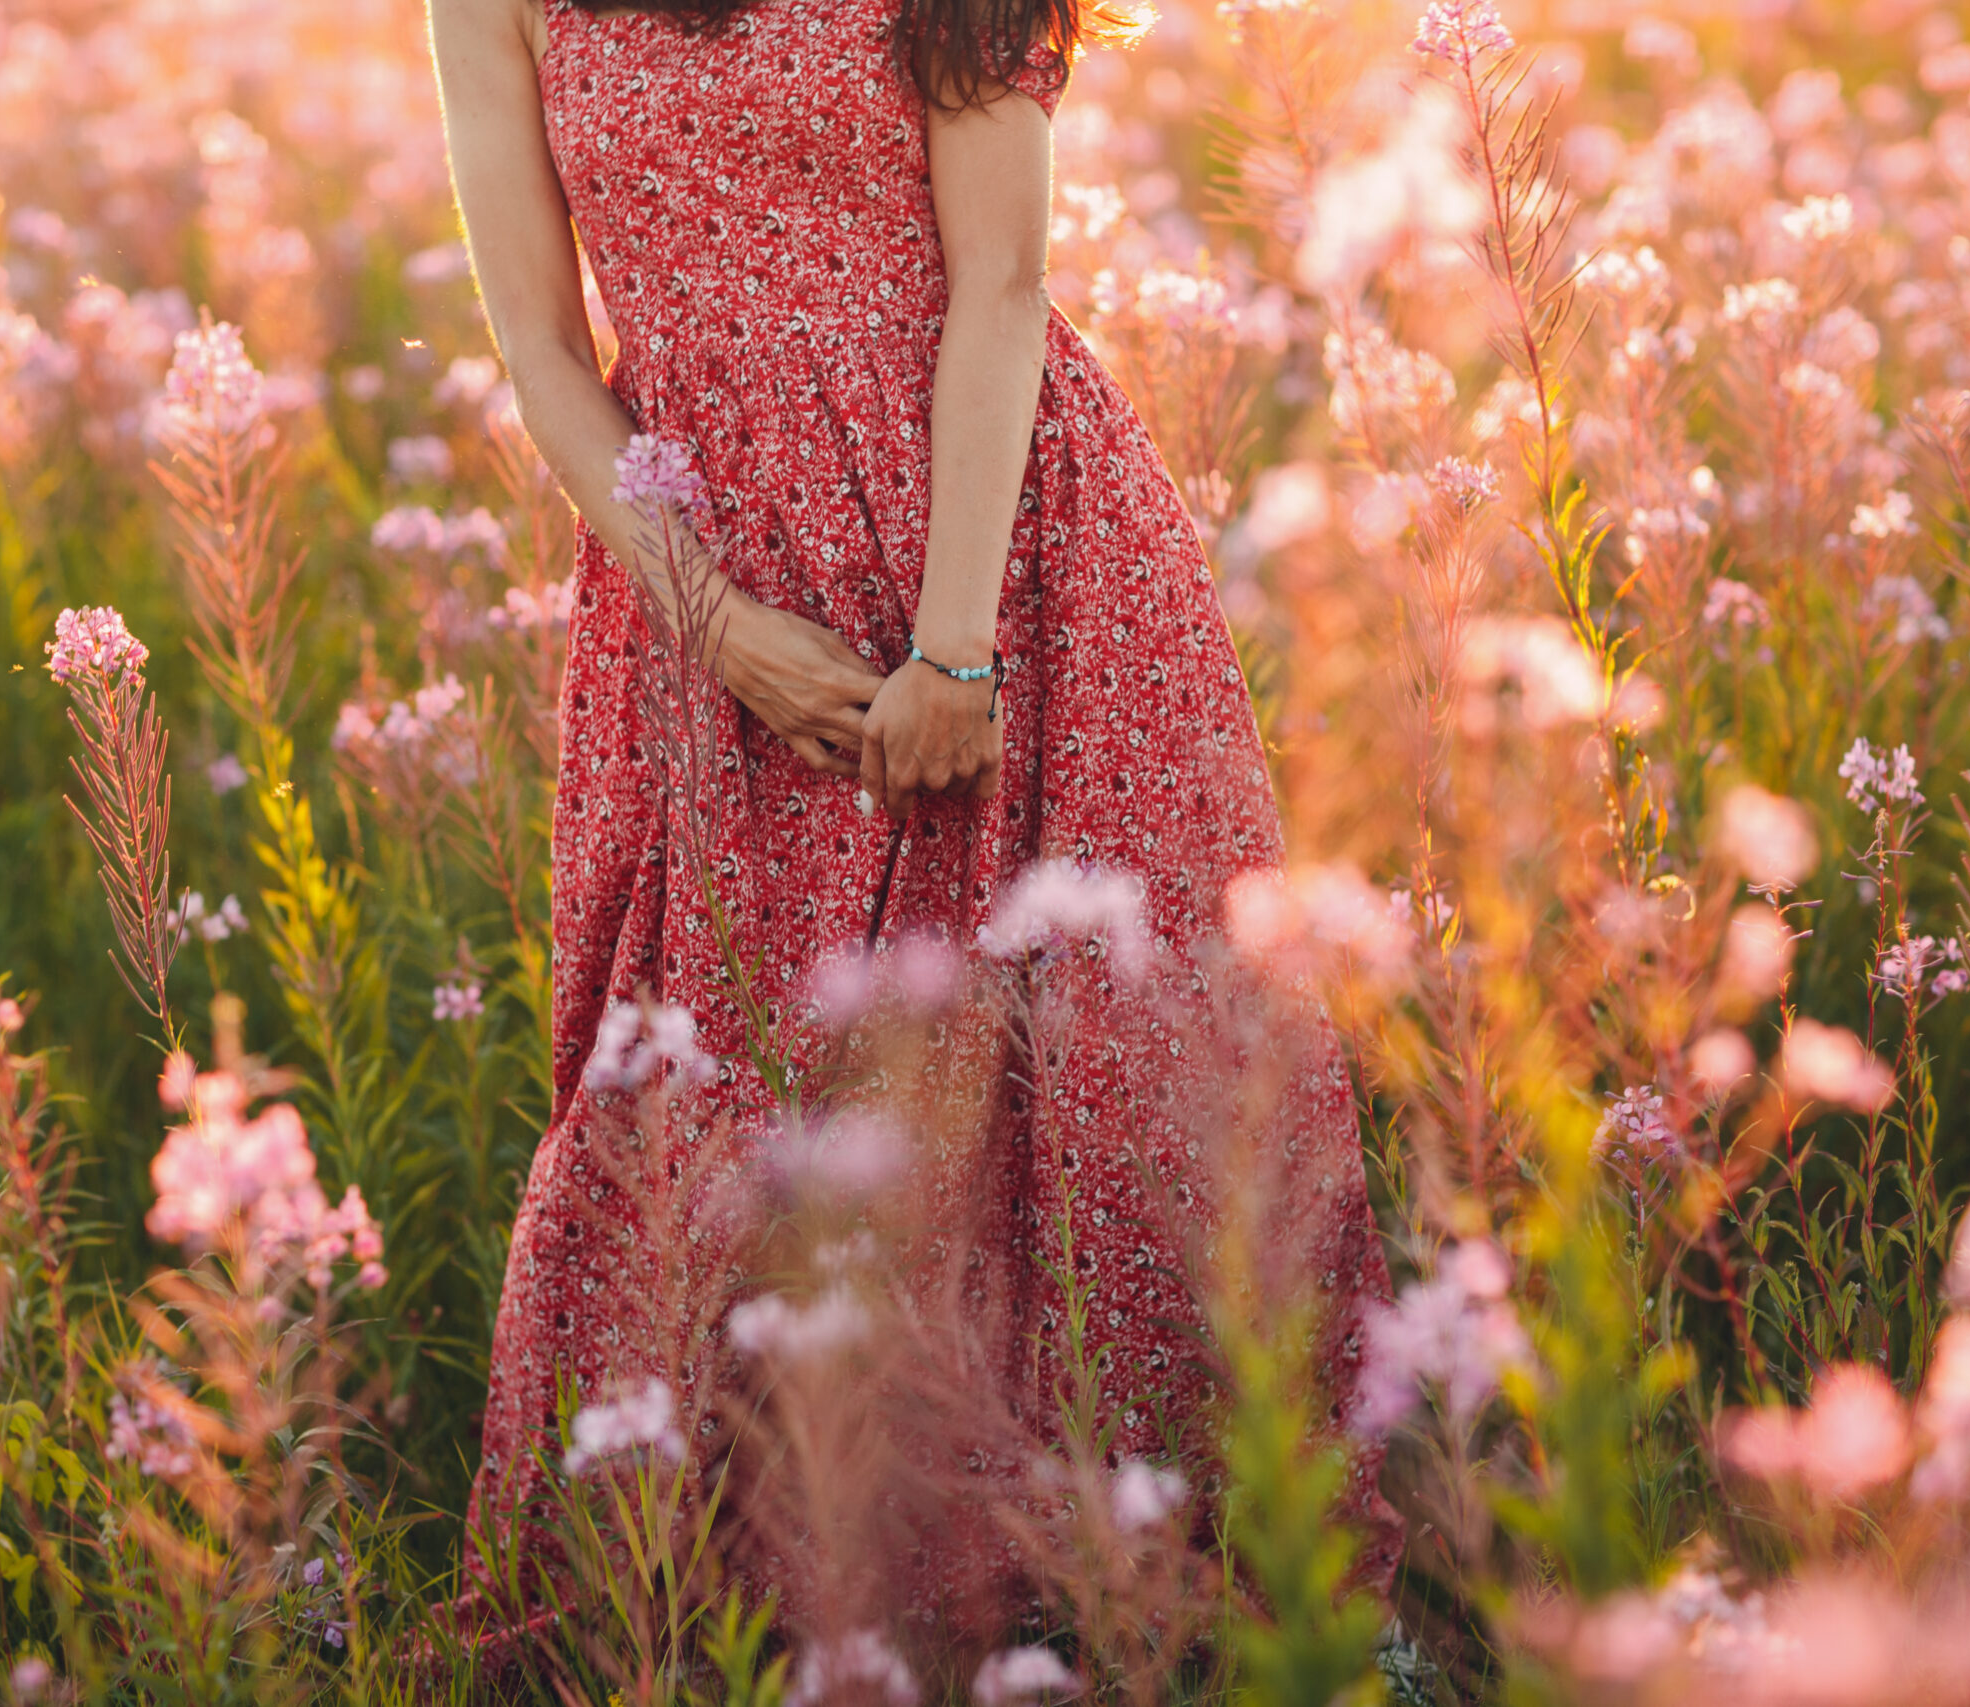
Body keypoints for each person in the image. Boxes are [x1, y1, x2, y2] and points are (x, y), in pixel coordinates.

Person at [429, 0, 1400, 1624]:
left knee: (1086, 1103)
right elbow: (537, 345)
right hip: (703, 606)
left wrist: (954, 649)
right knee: (710, 1129)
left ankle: (1144, 1619)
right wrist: (724, 630)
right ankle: (741, 1622)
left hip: (1012, 560)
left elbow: (1002, 286)